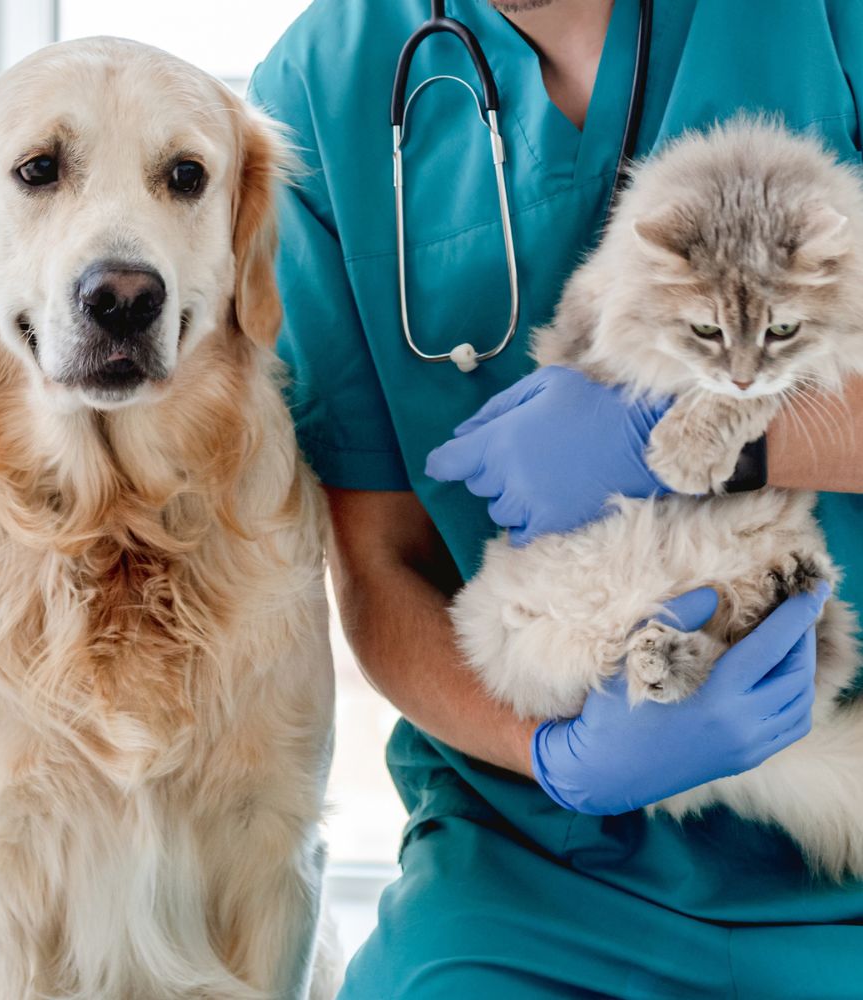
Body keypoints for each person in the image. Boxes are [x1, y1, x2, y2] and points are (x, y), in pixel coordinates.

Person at [248, 1, 863, 995]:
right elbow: (376, 567)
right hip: (528, 854)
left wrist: (700, 443)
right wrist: (560, 755)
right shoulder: (327, 87)